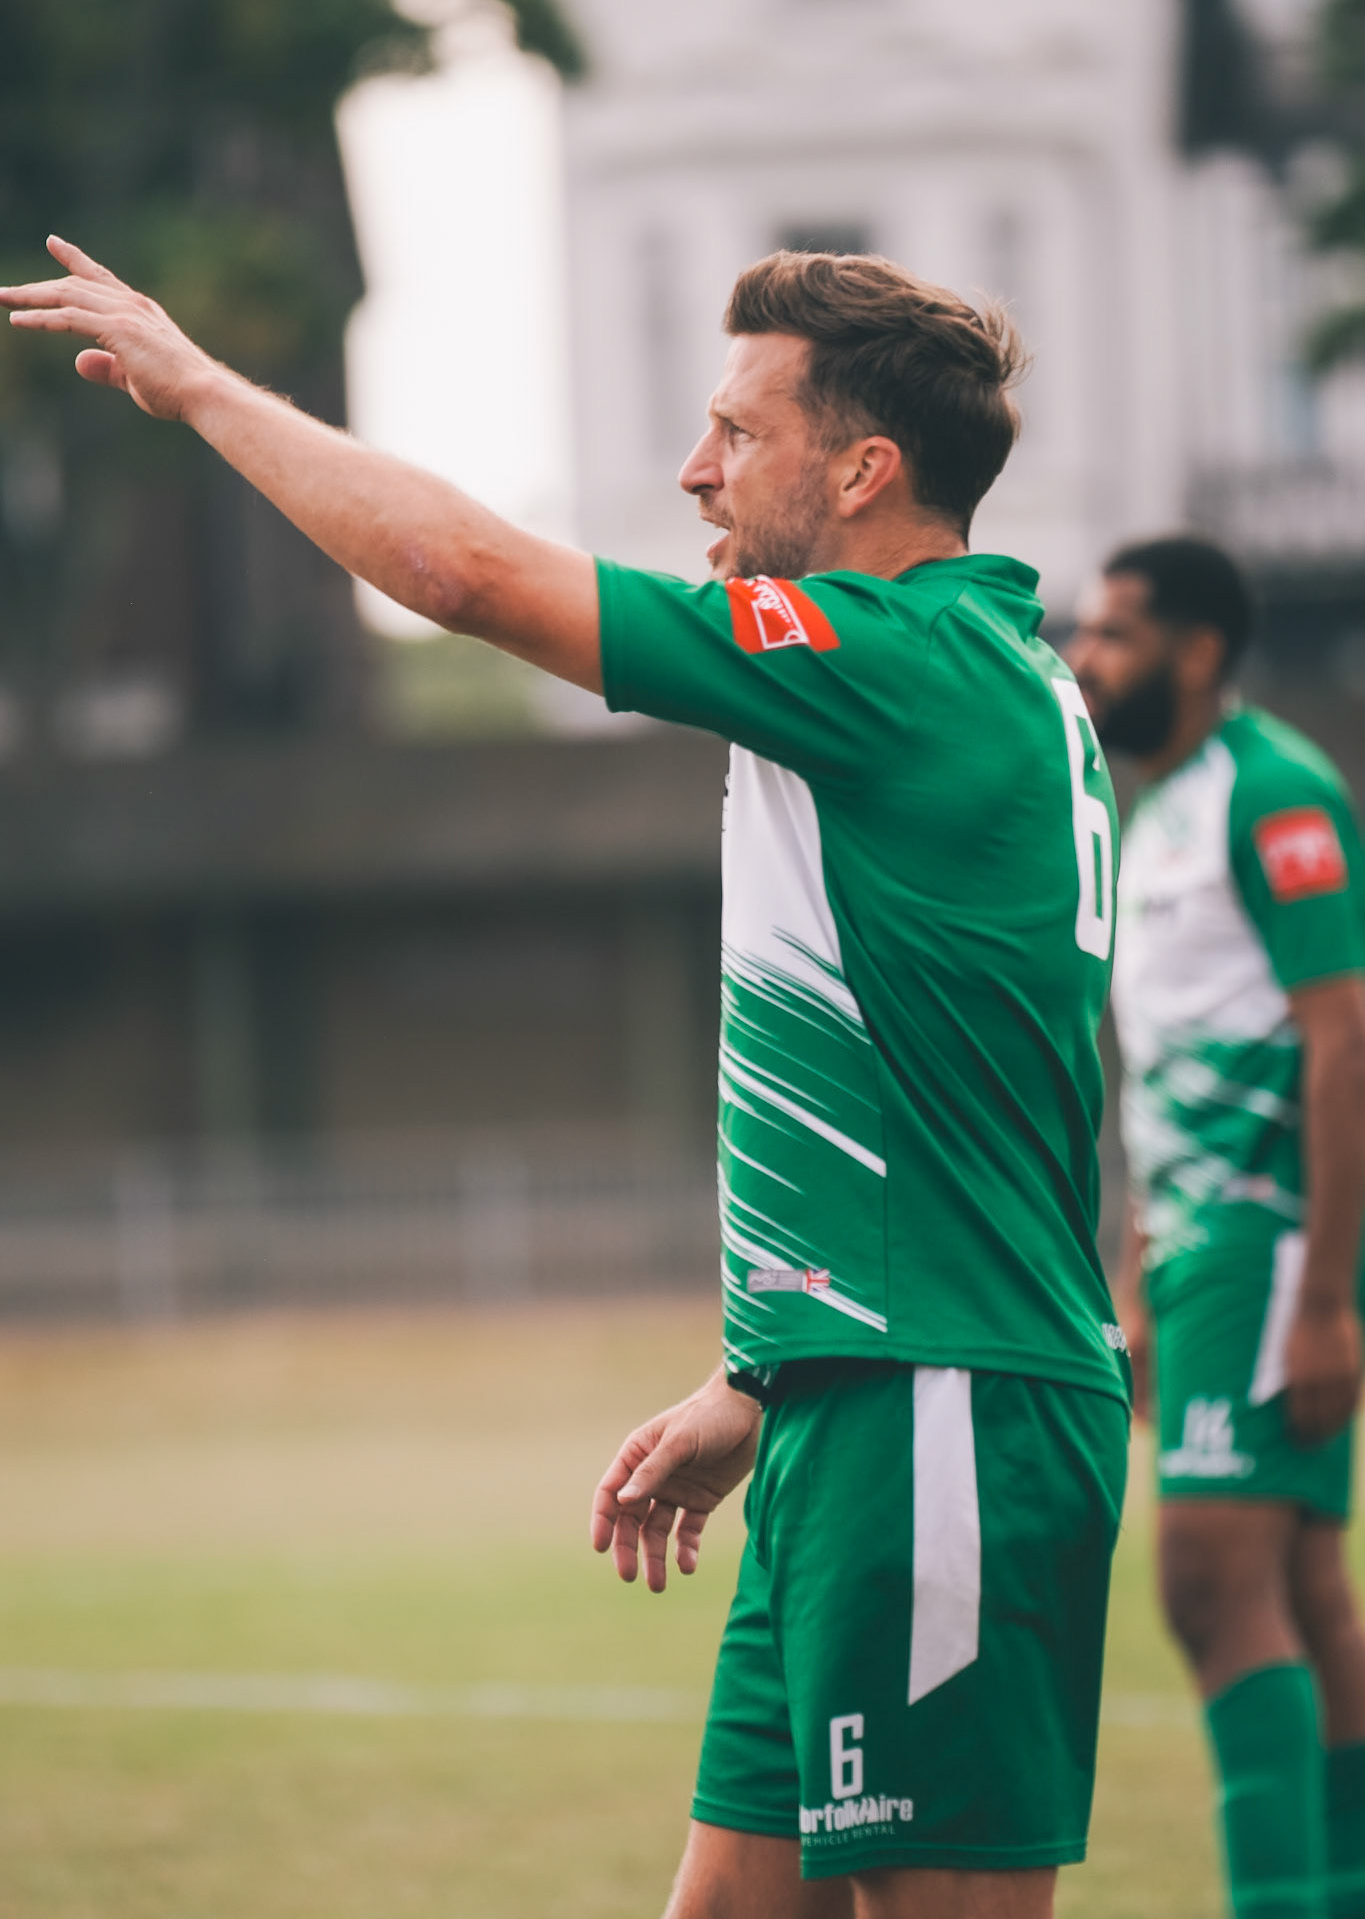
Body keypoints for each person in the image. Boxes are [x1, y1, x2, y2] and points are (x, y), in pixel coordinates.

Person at [2, 237, 1131, 1919]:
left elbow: (459, 574)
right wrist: (765, 1374)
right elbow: (957, 1102)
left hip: (942, 1416)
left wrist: (201, 387)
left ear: (862, 472)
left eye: (735, 431)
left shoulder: (894, 662)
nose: (694, 469)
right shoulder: (960, 670)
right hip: (863, 1394)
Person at [1069, 537, 1365, 1919]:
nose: (1083, 658)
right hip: (1195, 1253)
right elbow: (1165, 1070)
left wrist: (1324, 1299)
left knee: (1207, 1585)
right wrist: (1137, 1281)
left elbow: (1342, 1038)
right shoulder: (1152, 813)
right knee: (1301, 1587)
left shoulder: (1274, 792)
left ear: (1195, 653)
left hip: (1267, 1241)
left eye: (1114, 634)